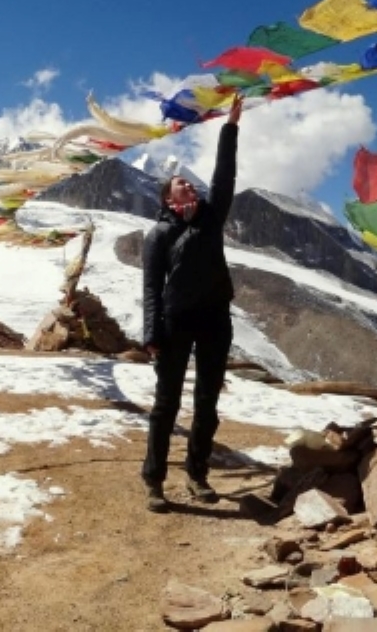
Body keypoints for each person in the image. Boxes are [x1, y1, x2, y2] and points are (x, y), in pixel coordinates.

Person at [140, 94, 242, 512]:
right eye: (180, 183)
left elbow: (225, 176)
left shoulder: (211, 217)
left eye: (189, 181)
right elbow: (150, 287)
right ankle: (154, 481)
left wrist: (231, 127)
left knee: (207, 402)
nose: (189, 183)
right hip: (175, 322)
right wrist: (151, 333)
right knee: (167, 404)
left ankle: (198, 474)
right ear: (168, 199)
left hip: (216, 319)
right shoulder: (158, 236)